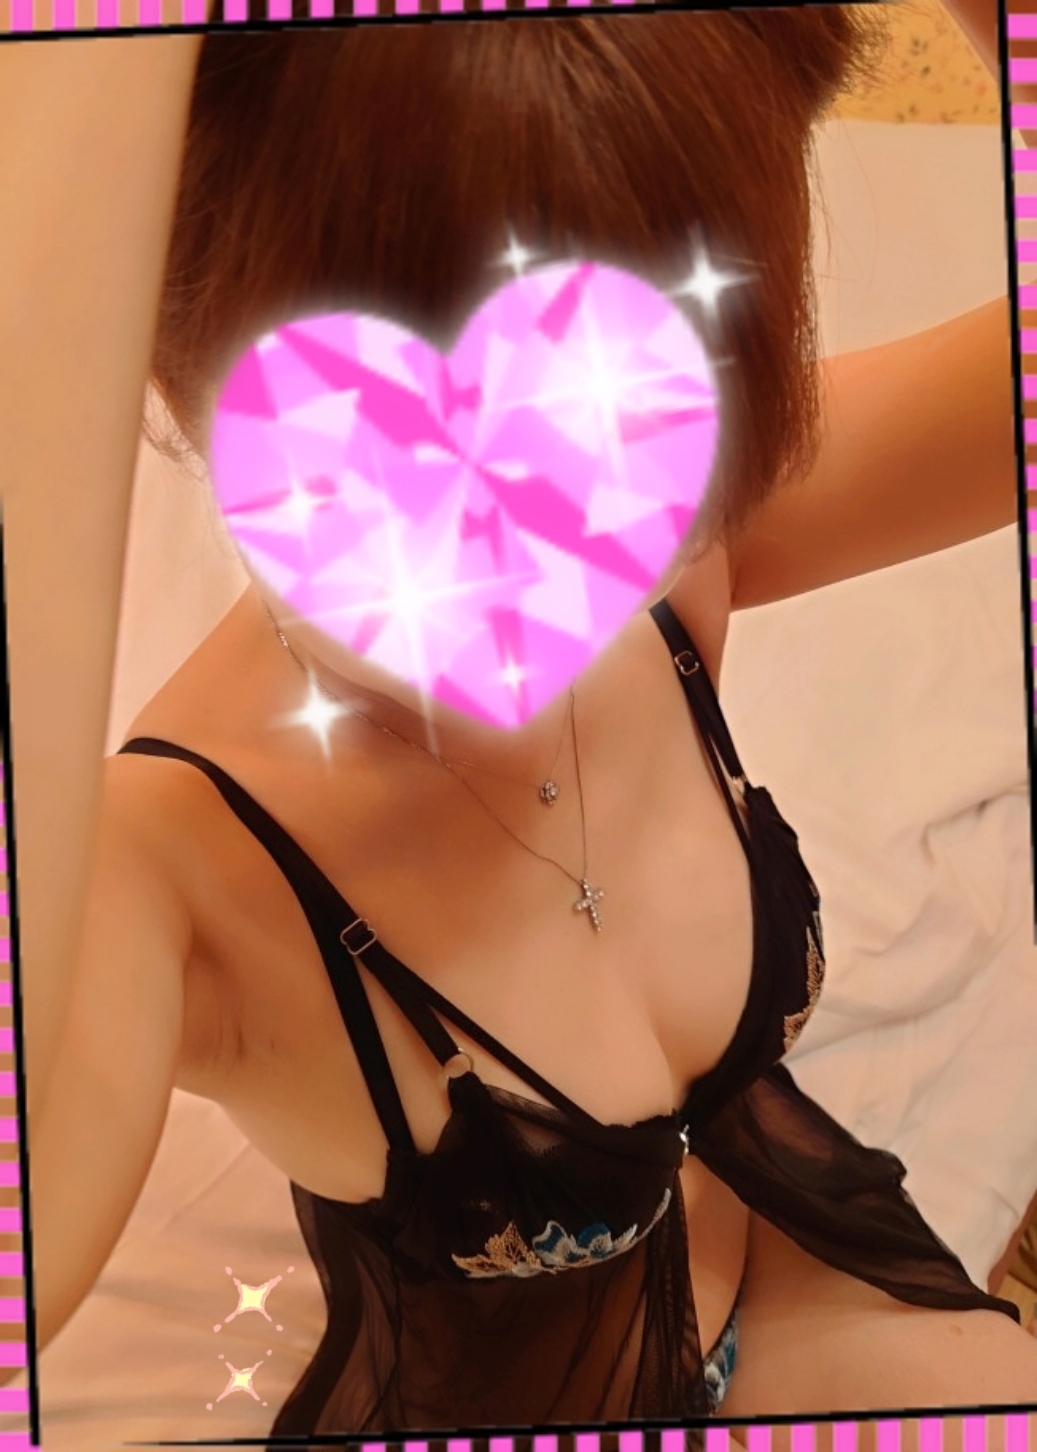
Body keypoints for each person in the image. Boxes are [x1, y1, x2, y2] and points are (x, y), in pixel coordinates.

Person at [2, 0, 1035, 1442]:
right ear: (157, 366)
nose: (530, 569)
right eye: (381, 466)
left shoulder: (680, 549)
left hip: (789, 1255)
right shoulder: (169, 880)